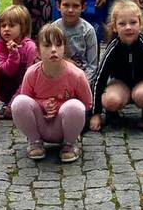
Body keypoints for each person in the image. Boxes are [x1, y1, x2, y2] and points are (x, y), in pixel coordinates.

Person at [11, 23, 93, 163]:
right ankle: (35, 141)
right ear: (38, 51)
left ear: (64, 48)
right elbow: (26, 102)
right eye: (47, 46)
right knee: (18, 102)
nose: (53, 50)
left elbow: (87, 104)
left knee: (75, 106)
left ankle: (69, 144)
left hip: (64, 125)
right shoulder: (32, 73)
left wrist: (61, 106)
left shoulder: (77, 75)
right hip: (41, 123)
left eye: (58, 45)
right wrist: (43, 104)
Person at [89, 0, 143, 132]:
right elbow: (100, 79)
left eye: (133, 22)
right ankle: (112, 113)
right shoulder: (112, 48)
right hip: (120, 83)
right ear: (115, 27)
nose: (128, 27)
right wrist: (96, 113)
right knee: (111, 100)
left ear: (141, 24)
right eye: (122, 24)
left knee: (142, 95)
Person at [0, 5, 37, 114]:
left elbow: (29, 79)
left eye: (11, 25)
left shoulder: (30, 47)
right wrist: (13, 54)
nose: (6, 29)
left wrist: (13, 103)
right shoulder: (0, 44)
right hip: (10, 85)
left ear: (23, 27)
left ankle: (17, 104)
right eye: (3, 26)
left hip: (28, 88)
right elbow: (7, 71)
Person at [54, 0, 99, 83]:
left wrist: (83, 83)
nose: (70, 10)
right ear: (58, 6)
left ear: (83, 7)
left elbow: (92, 65)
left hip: (82, 79)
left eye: (75, 6)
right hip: (58, 78)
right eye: (66, 5)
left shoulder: (88, 30)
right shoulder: (53, 29)